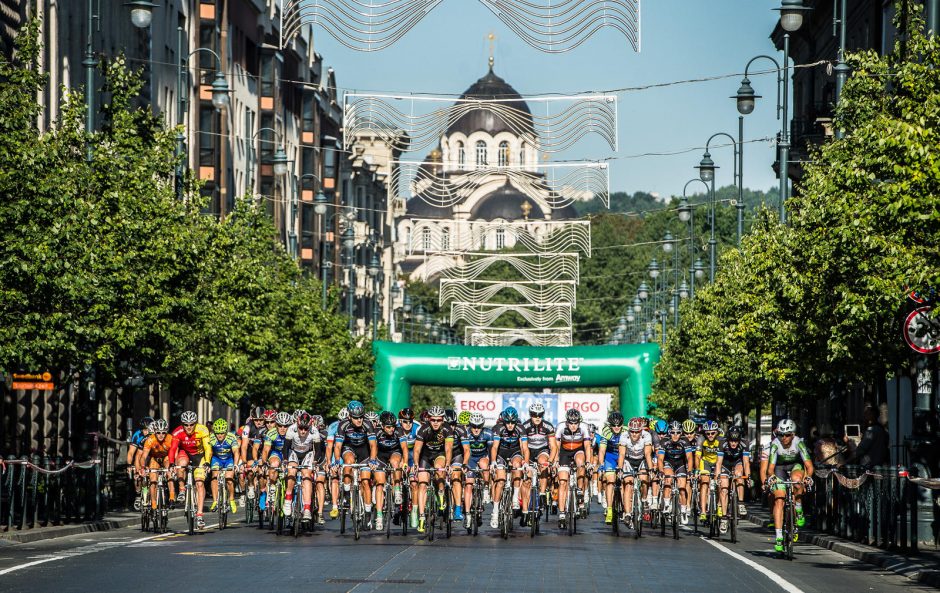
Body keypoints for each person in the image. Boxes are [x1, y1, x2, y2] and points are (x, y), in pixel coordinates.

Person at [766, 419, 814, 553]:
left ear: (792, 434)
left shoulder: (799, 442)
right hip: (779, 469)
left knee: (797, 480)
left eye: (787, 435)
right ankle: (779, 537)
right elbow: (770, 469)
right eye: (781, 434)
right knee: (779, 499)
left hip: (795, 466)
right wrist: (772, 478)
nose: (784, 438)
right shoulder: (775, 444)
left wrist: (808, 478)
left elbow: (809, 466)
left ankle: (798, 509)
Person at [204, 418, 241, 516]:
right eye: (217, 433)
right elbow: (209, 452)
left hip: (229, 459)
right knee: (214, 475)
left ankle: (232, 499)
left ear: (226, 431)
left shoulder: (231, 437)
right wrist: (207, 463)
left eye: (222, 433)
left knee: (229, 479)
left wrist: (236, 464)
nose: (220, 435)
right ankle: (215, 501)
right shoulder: (211, 438)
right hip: (217, 459)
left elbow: (236, 452)